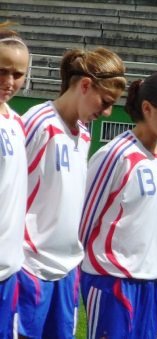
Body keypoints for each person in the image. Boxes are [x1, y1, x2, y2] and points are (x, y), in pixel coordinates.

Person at [20, 47, 126, 338]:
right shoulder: (37, 123)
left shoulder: (84, 132)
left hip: (66, 271)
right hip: (31, 268)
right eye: (105, 102)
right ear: (85, 85)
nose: (106, 112)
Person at [79, 72, 157, 338]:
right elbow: (82, 220)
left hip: (152, 283)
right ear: (147, 108)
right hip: (111, 281)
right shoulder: (115, 156)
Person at [0, 23, 28, 338]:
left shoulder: (17, 123)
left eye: (18, 74)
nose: (9, 82)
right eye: (2, 71)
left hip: (9, 270)